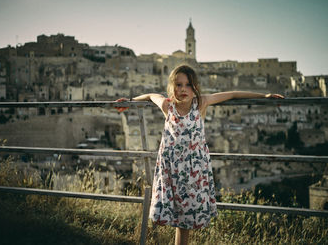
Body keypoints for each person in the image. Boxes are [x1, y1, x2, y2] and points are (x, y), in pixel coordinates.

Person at [115, 65, 283, 245]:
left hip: (193, 170)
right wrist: (130, 101)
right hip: (171, 169)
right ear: (172, 86)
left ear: (194, 87)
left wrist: (264, 97)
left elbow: (233, 94)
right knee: (178, 218)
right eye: (179, 85)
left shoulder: (201, 103)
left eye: (188, 85)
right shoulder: (167, 105)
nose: (183, 89)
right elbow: (149, 96)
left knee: (186, 221)